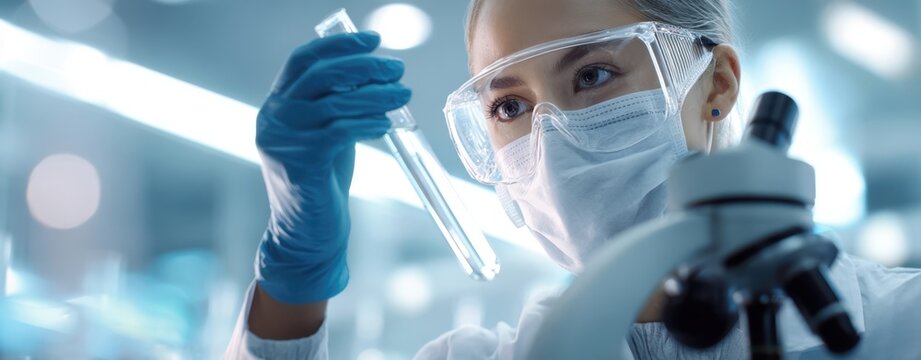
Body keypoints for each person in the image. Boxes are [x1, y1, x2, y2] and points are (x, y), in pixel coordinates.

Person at [224, 0, 921, 358]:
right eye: (508, 106)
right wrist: (291, 281)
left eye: (591, 75)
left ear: (715, 84)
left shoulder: (904, 326)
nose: (548, 136)